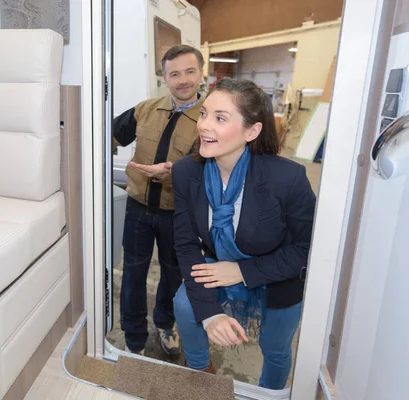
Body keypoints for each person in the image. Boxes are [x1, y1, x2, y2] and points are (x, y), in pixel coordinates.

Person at [171, 78, 316, 389]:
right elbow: (185, 244)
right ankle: (199, 377)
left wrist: (241, 270)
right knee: (185, 304)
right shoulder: (186, 172)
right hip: (218, 262)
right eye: (205, 114)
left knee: (275, 350)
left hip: (279, 275)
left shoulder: (287, 178)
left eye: (220, 118)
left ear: (252, 131)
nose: (205, 126)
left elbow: (306, 248)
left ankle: (269, 393)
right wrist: (210, 315)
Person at [112, 44, 205, 356]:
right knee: (133, 276)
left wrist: (177, 175)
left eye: (189, 71)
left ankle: (166, 324)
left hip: (178, 215)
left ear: (201, 74)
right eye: (174, 73)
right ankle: (134, 338)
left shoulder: (209, 122)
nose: (182, 80)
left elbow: (215, 172)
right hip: (138, 209)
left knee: (173, 275)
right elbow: (108, 134)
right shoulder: (145, 109)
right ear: (164, 78)